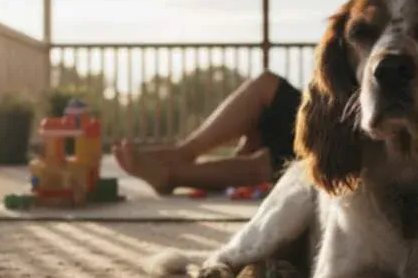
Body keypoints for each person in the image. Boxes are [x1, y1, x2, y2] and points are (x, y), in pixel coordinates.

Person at [112, 71, 302, 195]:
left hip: (326, 144)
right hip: (321, 114)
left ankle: (171, 175)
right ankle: (183, 152)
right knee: (266, 84)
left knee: (274, 161)